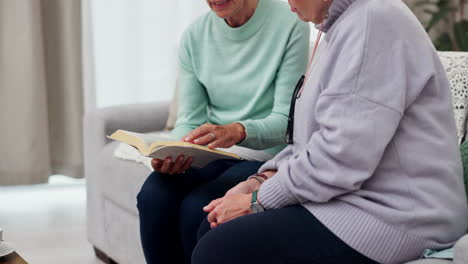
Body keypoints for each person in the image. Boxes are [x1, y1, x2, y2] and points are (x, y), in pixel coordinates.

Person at [192, 0, 468, 263]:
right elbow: (309, 141)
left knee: (220, 247)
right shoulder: (340, 27)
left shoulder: (373, 22)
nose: (287, 3)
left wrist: (257, 200)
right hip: (355, 198)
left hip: (404, 217)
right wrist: (259, 180)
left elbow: (341, 157)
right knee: (211, 225)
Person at [136, 0, 310, 263]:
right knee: (153, 195)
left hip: (262, 155)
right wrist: (173, 151)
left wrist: (239, 130)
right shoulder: (194, 36)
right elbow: (189, 119)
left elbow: (286, 121)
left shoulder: (291, 21)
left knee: (198, 206)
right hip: (212, 151)